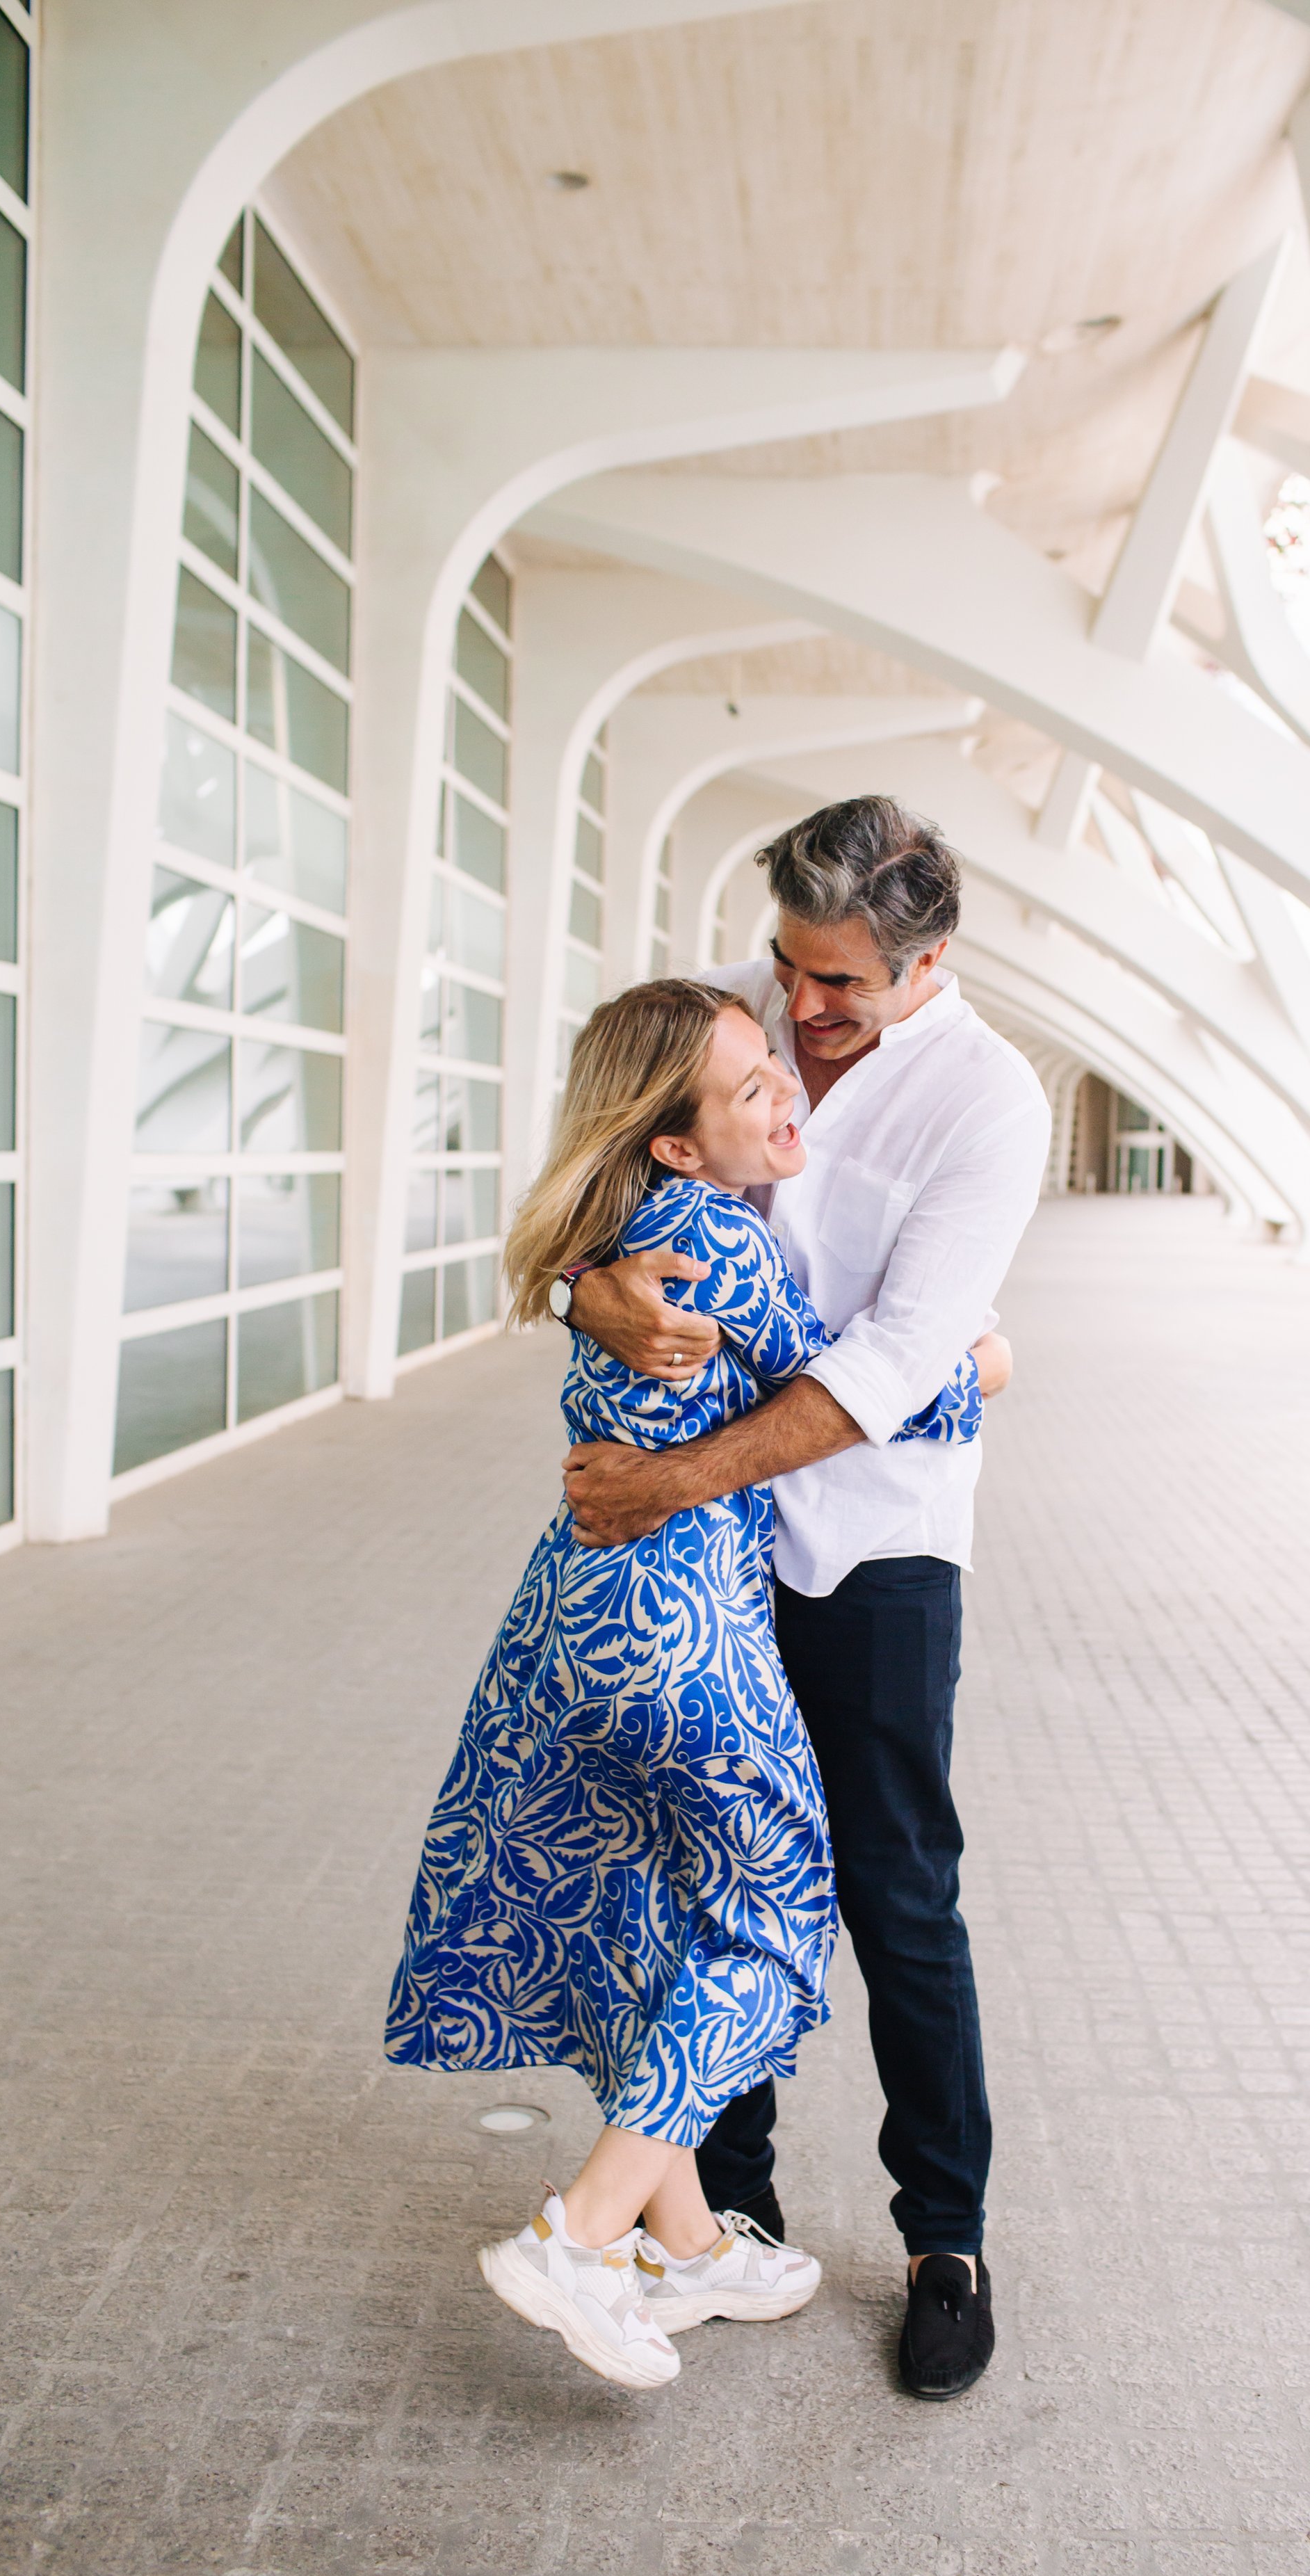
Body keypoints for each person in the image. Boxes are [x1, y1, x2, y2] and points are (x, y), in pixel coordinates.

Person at [385, 976, 1005, 2392]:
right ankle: (580, 2232)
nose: (782, 1080)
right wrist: (984, 1359)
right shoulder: (718, 1238)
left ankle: (691, 2242)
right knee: (775, 1922)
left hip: (577, 1620)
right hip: (686, 1636)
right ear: (675, 1138)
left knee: (664, 1915)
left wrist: (576, 1280)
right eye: (750, 1084)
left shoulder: (622, 1218)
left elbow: (580, 1250)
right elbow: (865, 1386)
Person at [560, 796, 1052, 2399]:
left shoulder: (987, 1102)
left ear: (925, 961)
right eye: (789, 963)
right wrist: (588, 1288)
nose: (801, 1004)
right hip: (706, 1558)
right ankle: (724, 2215)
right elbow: (590, 1195)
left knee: (896, 1890)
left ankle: (944, 2241)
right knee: (704, 1874)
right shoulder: (726, 1012)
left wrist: (665, 1477)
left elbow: (901, 1361)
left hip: (877, 1543)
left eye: (838, 981)